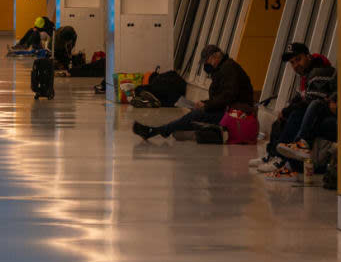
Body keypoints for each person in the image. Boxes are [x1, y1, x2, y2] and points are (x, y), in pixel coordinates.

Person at [133, 45, 254, 140]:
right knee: (193, 117)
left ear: (215, 57)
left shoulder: (229, 69)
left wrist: (207, 105)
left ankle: (157, 131)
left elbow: (228, 96)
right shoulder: (223, 69)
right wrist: (205, 103)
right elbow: (223, 96)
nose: (206, 65)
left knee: (195, 116)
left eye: (206, 61)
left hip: (236, 114)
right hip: (229, 110)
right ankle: (163, 130)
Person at [250, 42, 334, 172]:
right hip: (317, 112)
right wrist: (286, 109)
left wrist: (288, 110)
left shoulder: (319, 71)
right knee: (280, 119)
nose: (296, 65)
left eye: (298, 59)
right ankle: (272, 156)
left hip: (326, 115)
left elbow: (313, 100)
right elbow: (300, 97)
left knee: (295, 115)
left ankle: (281, 160)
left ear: (308, 56)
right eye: (292, 63)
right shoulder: (306, 75)